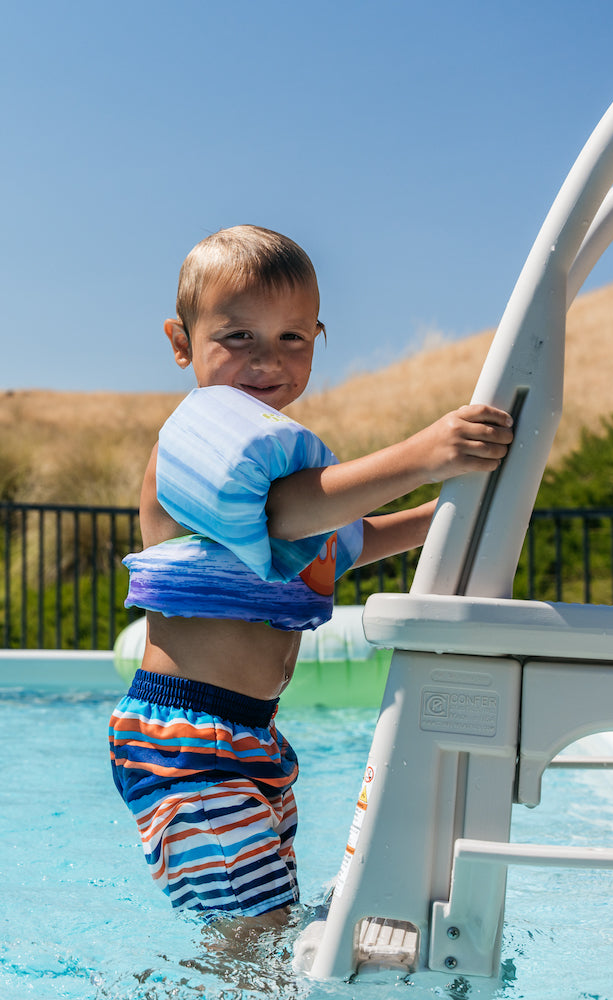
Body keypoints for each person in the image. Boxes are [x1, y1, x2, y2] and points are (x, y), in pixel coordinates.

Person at [109, 225, 513, 924]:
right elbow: (280, 516)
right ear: (182, 343)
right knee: (252, 937)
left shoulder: (272, 455)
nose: (268, 360)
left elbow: (346, 540)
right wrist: (425, 456)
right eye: (238, 338)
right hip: (185, 737)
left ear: (318, 337)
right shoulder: (196, 443)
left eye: (293, 338)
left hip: (249, 735)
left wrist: (459, 515)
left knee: (259, 931)